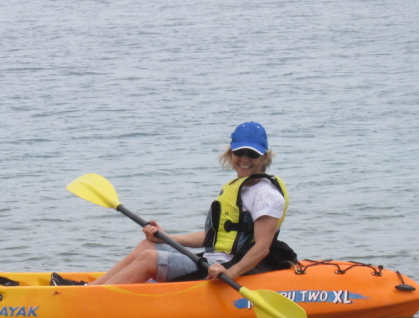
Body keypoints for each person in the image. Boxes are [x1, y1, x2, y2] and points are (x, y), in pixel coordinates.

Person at [53, 121, 293, 286]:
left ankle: (89, 300)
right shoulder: (237, 187)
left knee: (149, 259)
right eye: (239, 152)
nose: (244, 159)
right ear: (230, 153)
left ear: (264, 156)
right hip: (215, 261)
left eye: (252, 154)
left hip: (232, 269)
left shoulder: (265, 194)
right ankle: (88, 288)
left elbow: (262, 247)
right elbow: (213, 237)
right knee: (146, 247)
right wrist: (166, 237)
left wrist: (229, 273)